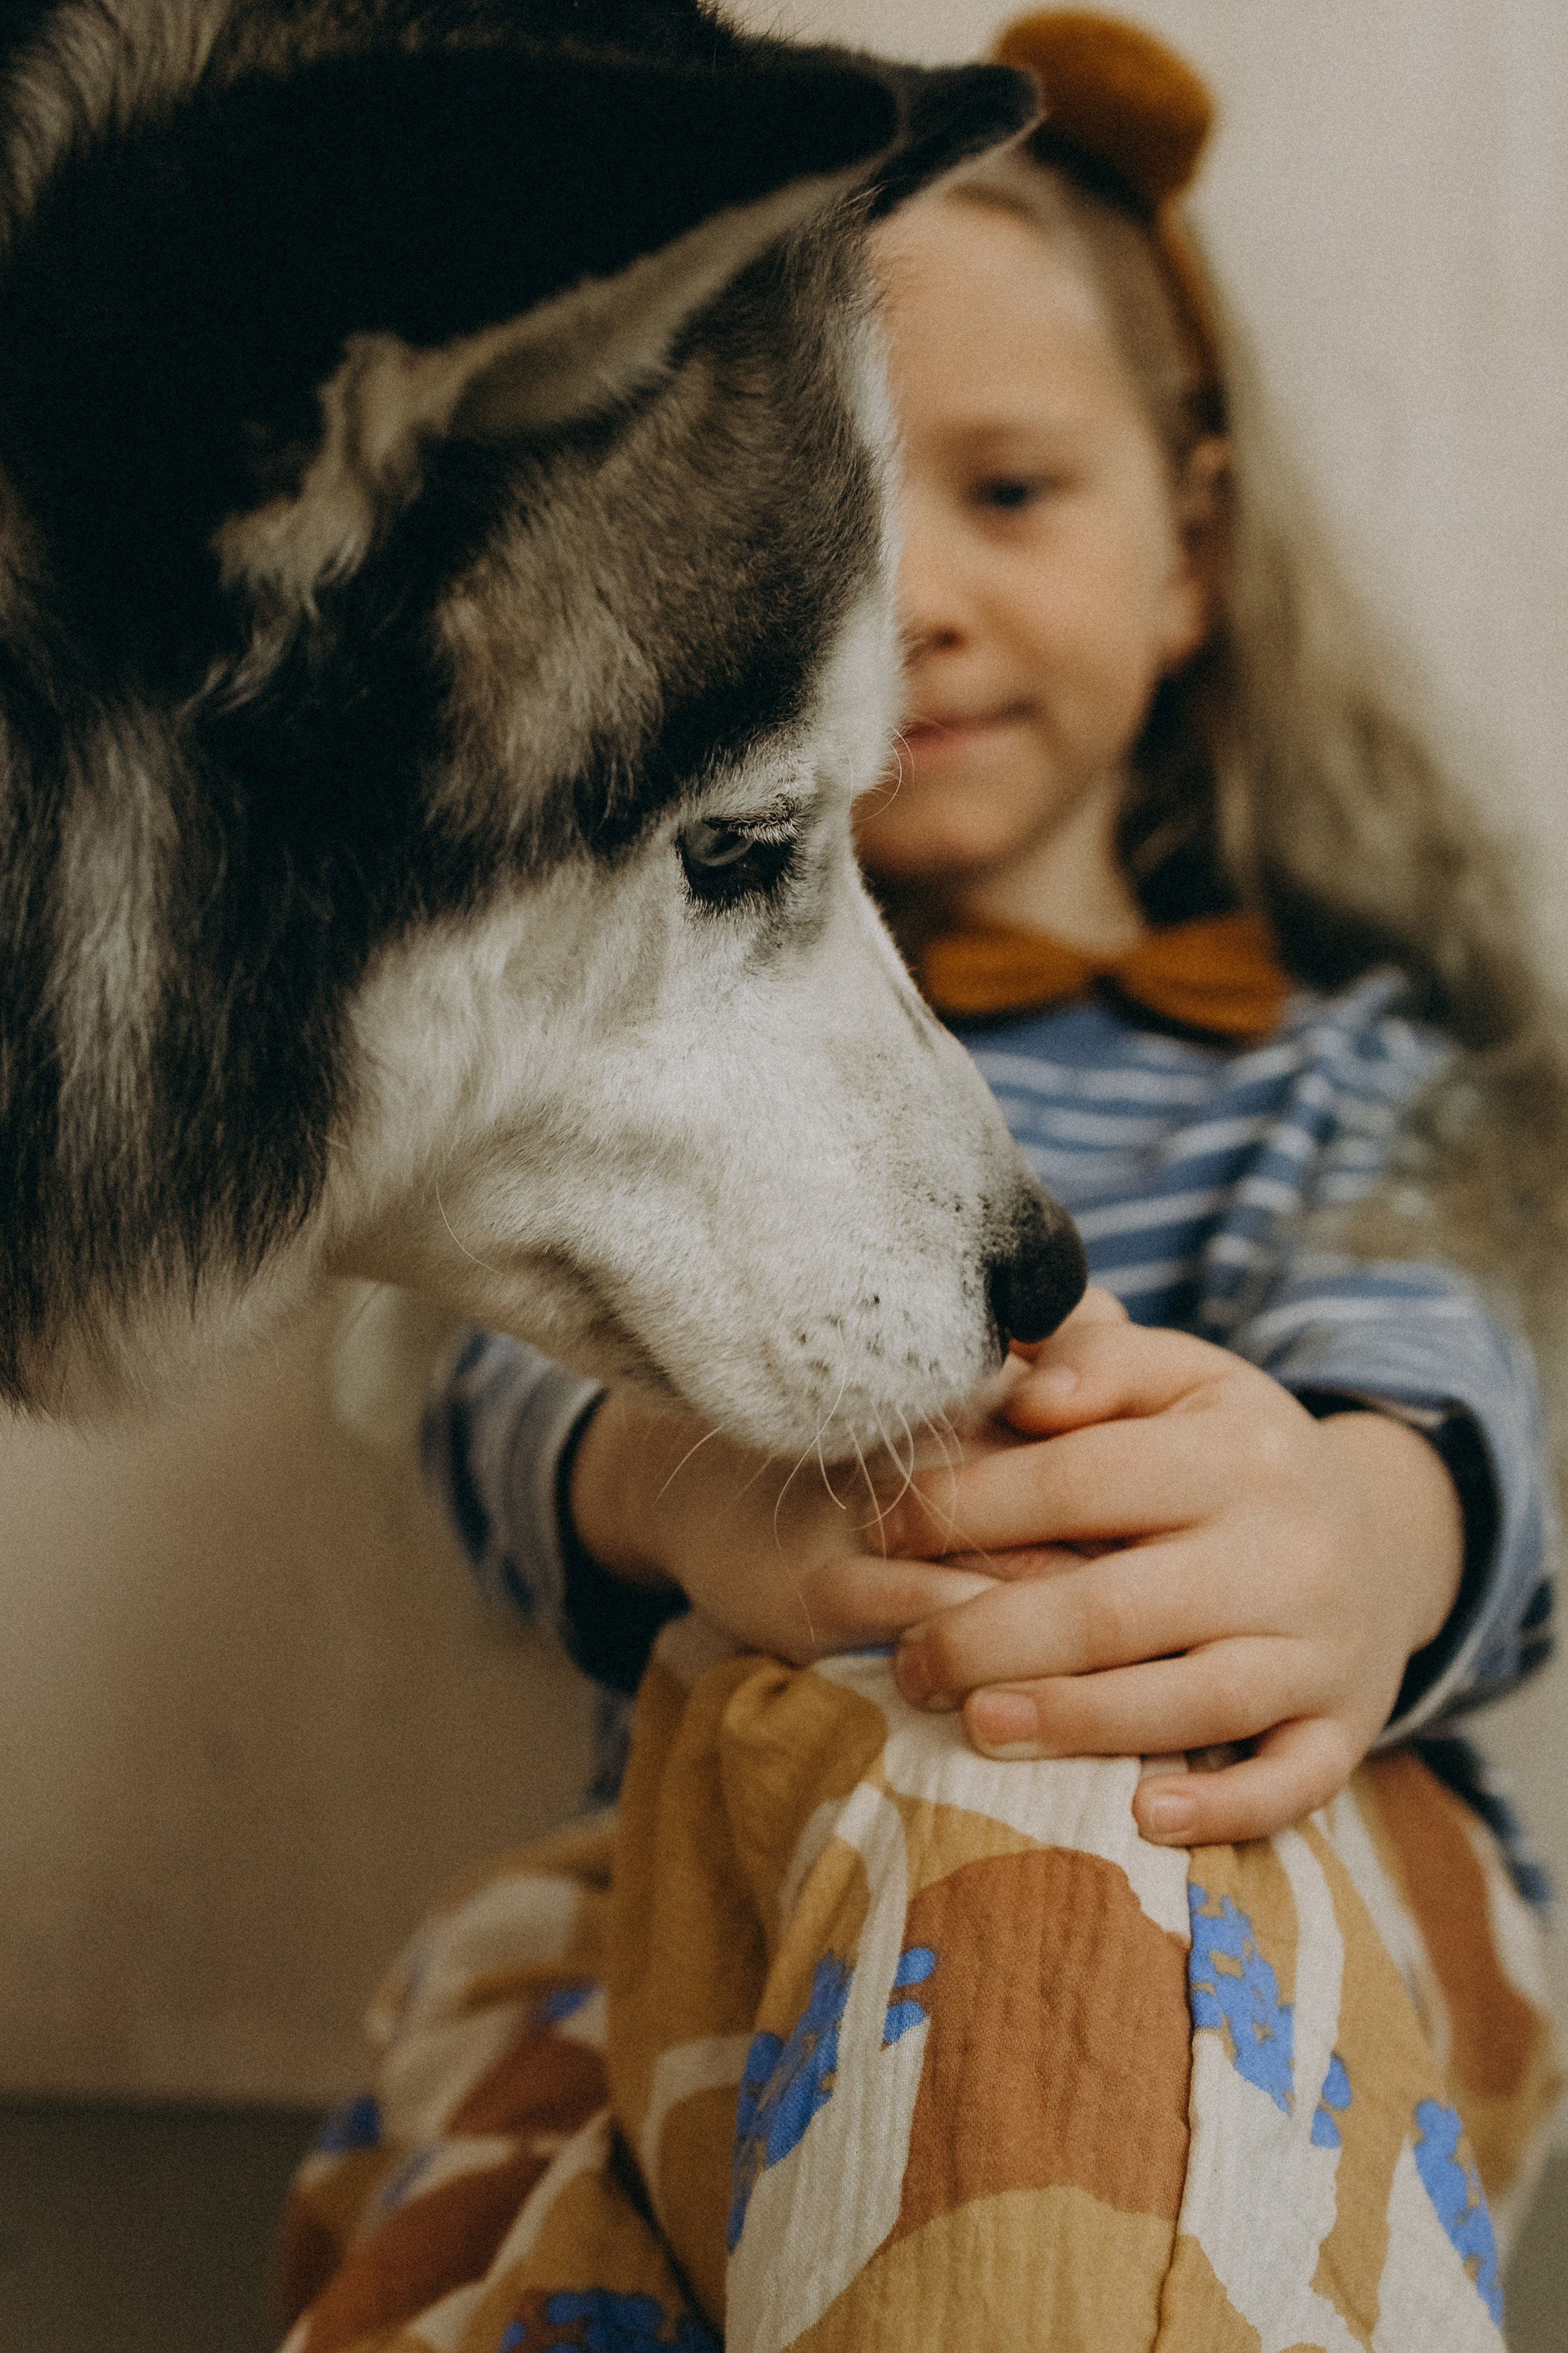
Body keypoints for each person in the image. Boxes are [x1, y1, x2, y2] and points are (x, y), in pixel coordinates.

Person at [423, 8, 1557, 1872]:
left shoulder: (1350, 1070)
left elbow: (1445, 1359)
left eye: (1010, 492)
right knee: (506, 2032)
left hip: (1241, 1868)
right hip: (751, 1891)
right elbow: (496, 1358)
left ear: (1191, 554)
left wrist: (1356, 1535)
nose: (915, 602)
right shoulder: (653, 1049)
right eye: (848, 536)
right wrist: (681, 1505)